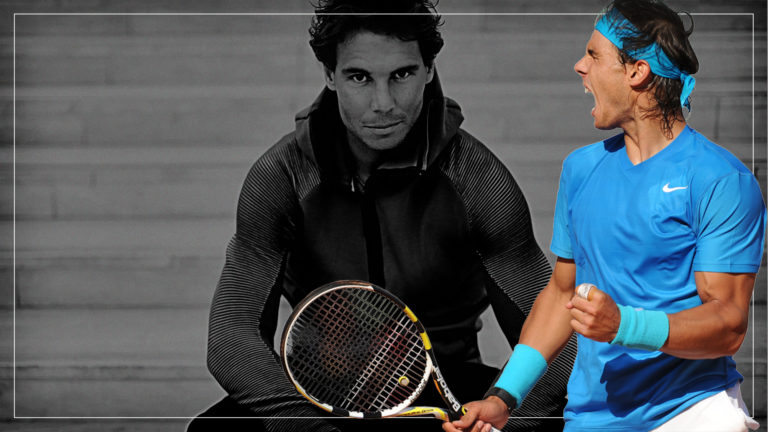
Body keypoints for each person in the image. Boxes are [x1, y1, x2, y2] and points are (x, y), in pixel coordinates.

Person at [186, 1, 574, 431]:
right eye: (359, 77)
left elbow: (559, 338)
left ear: (429, 69)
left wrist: (502, 414)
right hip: (320, 398)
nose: (383, 103)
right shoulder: (283, 177)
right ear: (330, 75)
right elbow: (232, 338)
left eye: (402, 75)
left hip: (446, 388)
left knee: (572, 421)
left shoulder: (477, 180)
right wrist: (310, 428)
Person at [445, 1, 766, 431]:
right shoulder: (580, 169)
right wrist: (504, 396)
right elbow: (561, 294)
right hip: (593, 417)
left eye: (595, 55)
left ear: (637, 72)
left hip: (693, 412)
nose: (580, 66)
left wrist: (624, 325)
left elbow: (727, 324)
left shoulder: (721, 180)